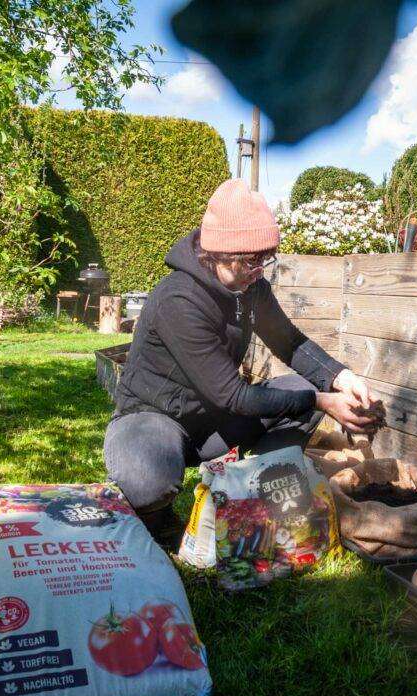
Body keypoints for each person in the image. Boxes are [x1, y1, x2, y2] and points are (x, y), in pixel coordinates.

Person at [103, 178, 382, 528]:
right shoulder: (179, 300)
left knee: (300, 387)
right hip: (155, 417)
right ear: (218, 254)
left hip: (214, 422)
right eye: (250, 262)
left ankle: (262, 488)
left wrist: (341, 378)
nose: (257, 272)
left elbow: (289, 342)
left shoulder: (253, 289)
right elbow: (233, 395)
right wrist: (320, 401)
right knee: (148, 483)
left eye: (264, 260)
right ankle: (156, 516)